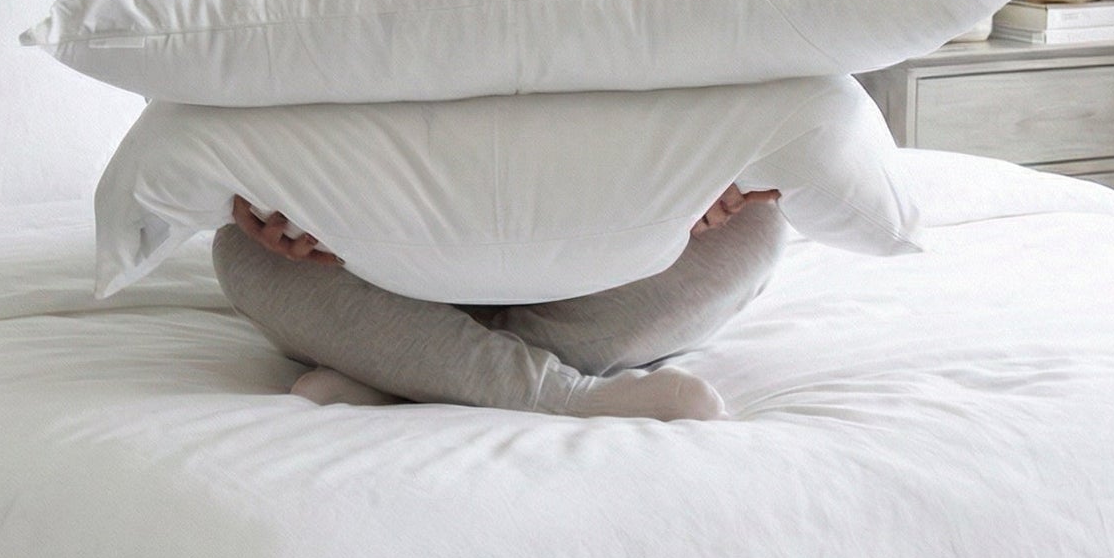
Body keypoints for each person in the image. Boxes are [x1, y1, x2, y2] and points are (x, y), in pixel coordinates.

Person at [212, 183, 787, 422]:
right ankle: (566, 397)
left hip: (589, 274)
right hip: (377, 266)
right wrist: (267, 202)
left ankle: (402, 368)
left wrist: (718, 184)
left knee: (758, 229)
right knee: (242, 251)